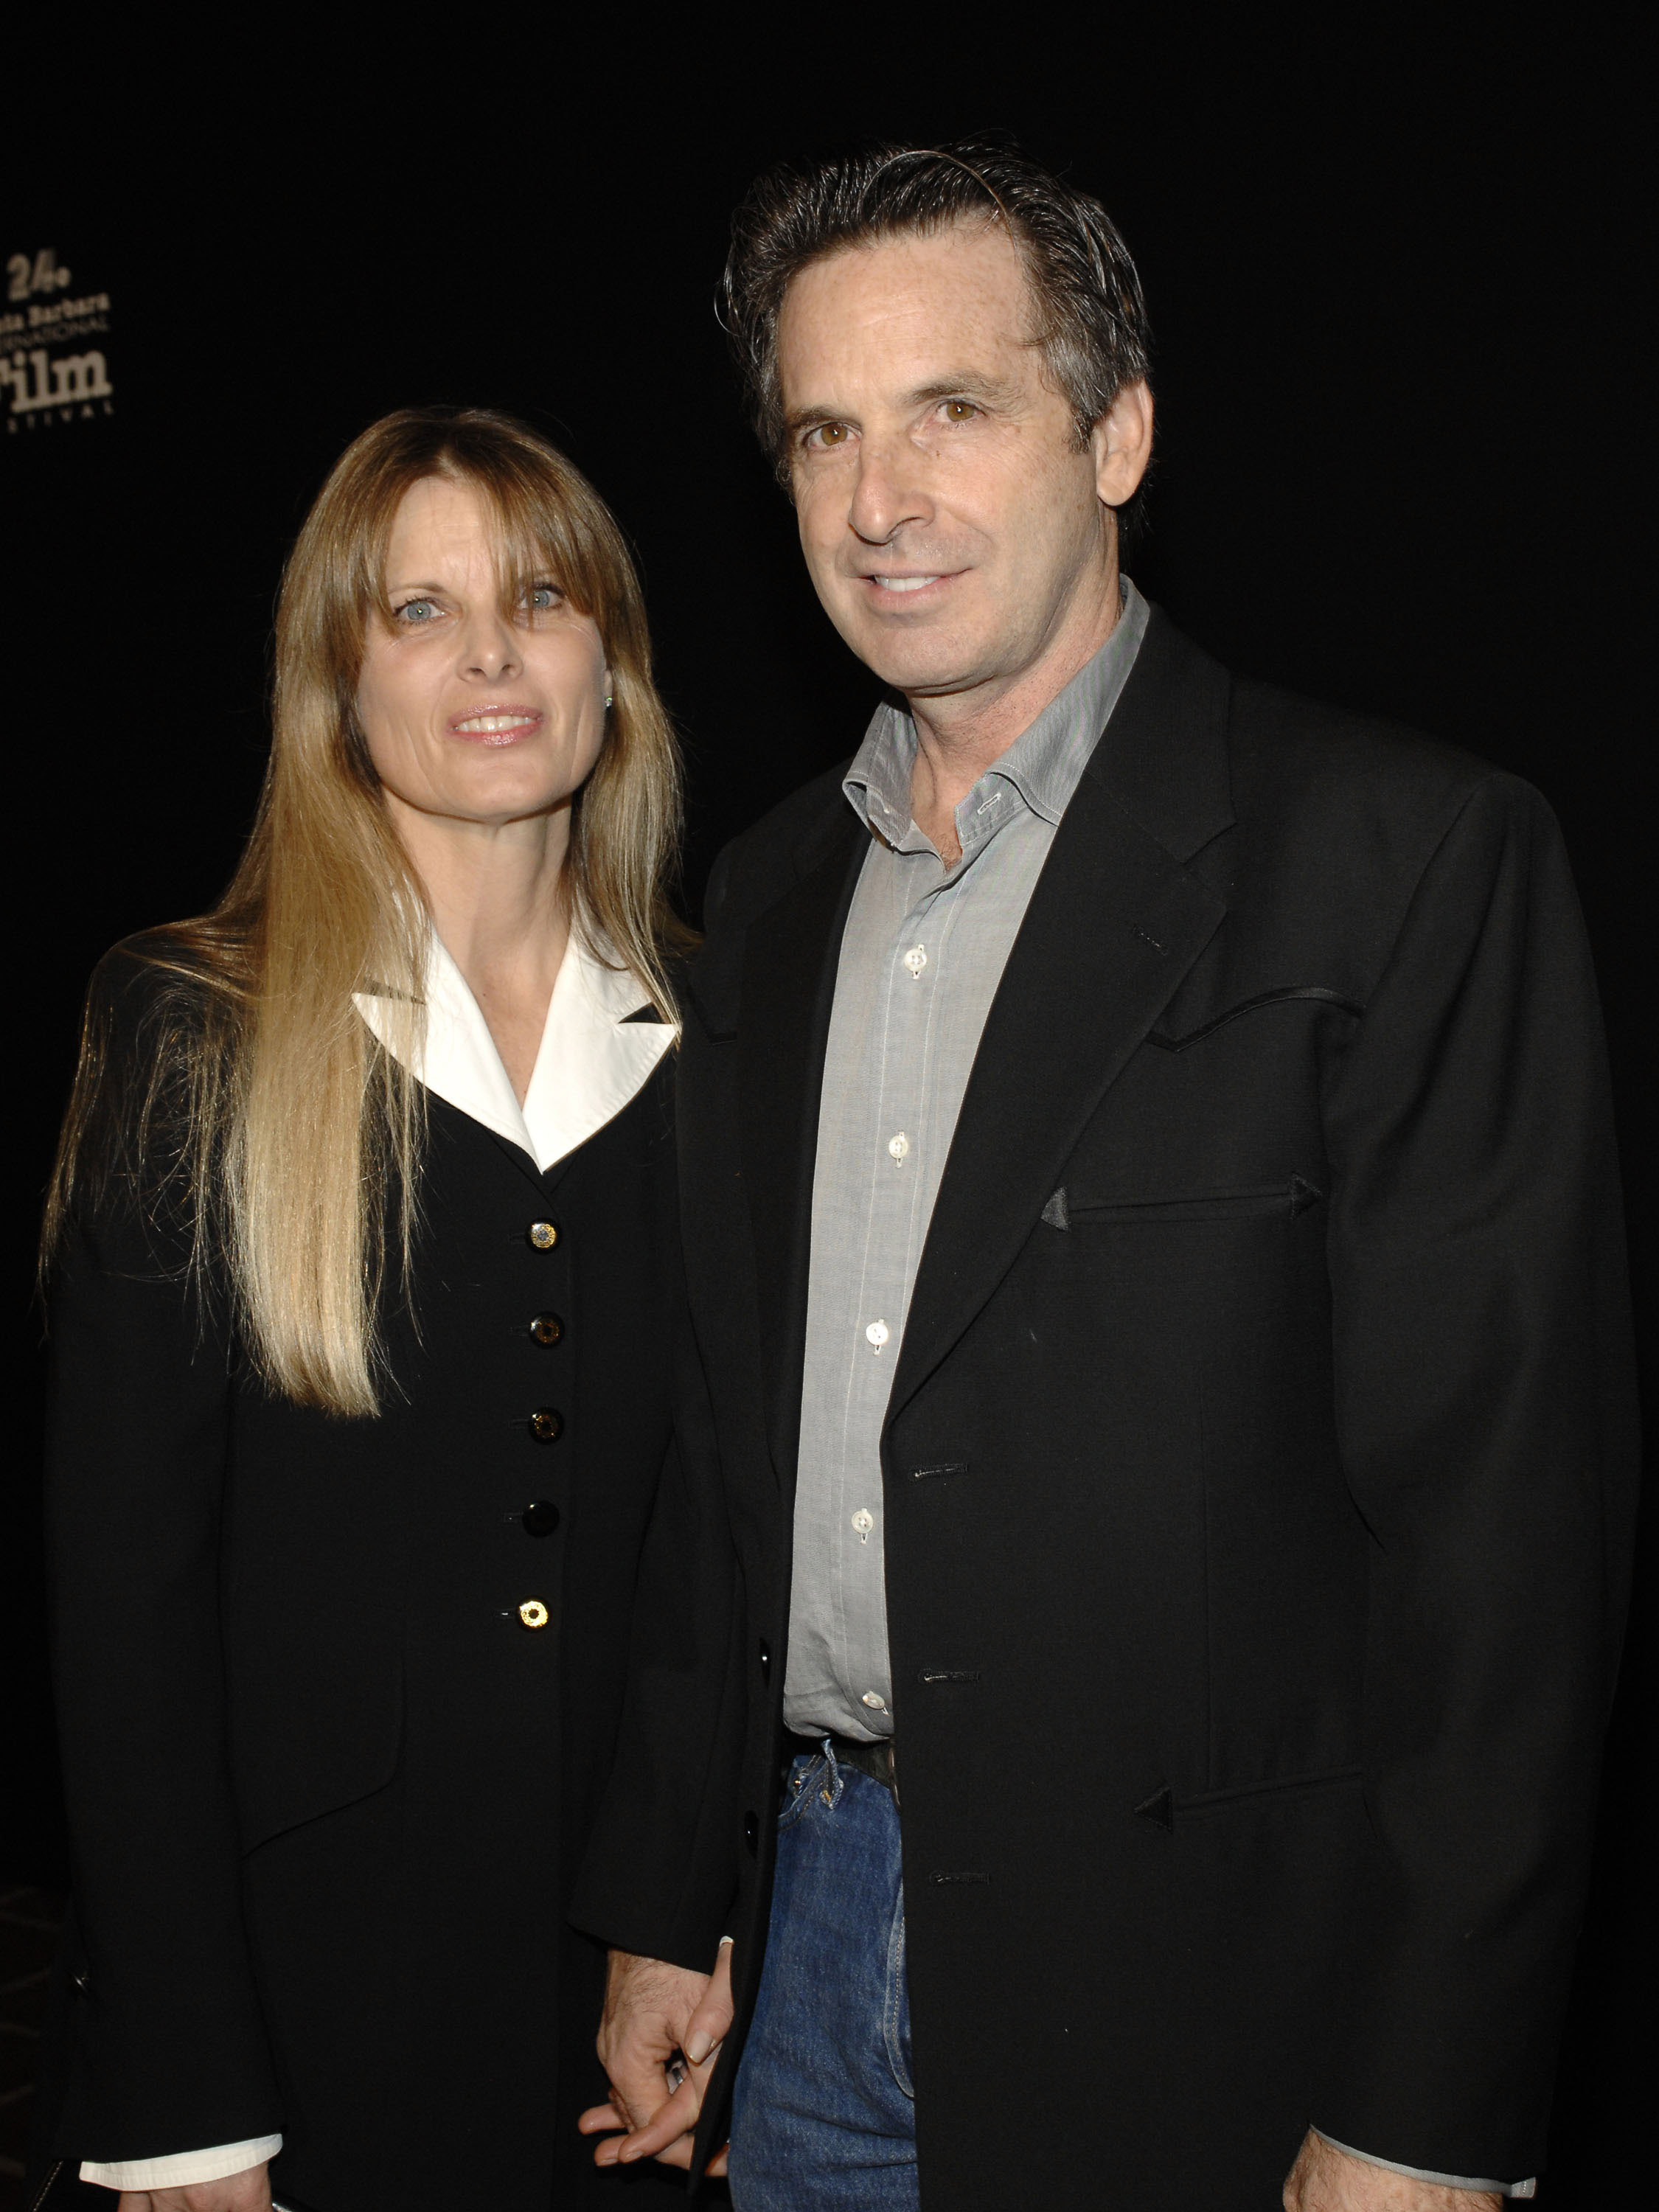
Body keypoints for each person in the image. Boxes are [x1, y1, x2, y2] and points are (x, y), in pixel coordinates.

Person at [571, 140, 1640, 2208]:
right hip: (807, 1955)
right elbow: (733, 1454)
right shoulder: (775, 894)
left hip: (1225, 2003)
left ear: (1118, 429)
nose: (880, 501)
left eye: (951, 411)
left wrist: (1425, 2101)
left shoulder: (1401, 858)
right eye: (824, 432)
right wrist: (666, 1892)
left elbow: (1508, 1572)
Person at [34, 407, 692, 2212]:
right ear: (337, 687)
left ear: (610, 671)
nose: (489, 651)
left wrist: (690, 1915)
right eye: (418, 610)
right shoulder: (194, 1023)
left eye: (541, 598)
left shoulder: (723, 1037)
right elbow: (126, 1612)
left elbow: (718, 1560)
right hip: (295, 2018)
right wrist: (183, 2102)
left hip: (628, 2025)